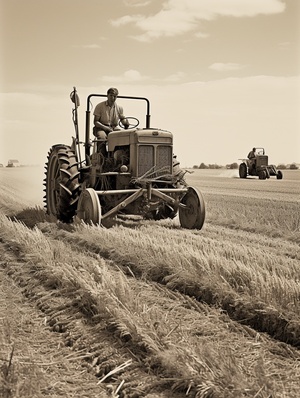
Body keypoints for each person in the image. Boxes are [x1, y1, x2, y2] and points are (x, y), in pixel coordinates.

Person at [93, 87, 129, 155]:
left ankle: (120, 156)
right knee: (102, 137)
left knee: (124, 135)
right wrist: (105, 128)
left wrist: (126, 123)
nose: (113, 98)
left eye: (115, 96)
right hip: (100, 128)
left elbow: (122, 119)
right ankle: (102, 156)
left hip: (113, 128)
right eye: (111, 96)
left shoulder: (119, 108)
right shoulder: (100, 106)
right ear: (107, 95)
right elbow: (95, 122)